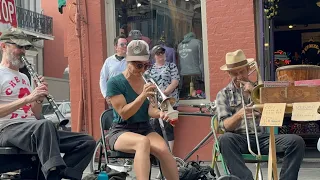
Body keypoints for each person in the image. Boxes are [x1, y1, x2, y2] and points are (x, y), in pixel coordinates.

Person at [0, 29, 96, 180]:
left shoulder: (24, 77)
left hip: (33, 130)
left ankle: (58, 175)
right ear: (3, 46)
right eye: (19, 46)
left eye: (25, 48)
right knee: (45, 125)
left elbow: (36, 114)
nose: (23, 51)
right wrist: (28, 98)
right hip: (8, 130)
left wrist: (38, 99)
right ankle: (53, 174)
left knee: (86, 141)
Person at [216, 49, 305, 180]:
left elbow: (277, 113)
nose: (239, 77)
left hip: (264, 138)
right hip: (240, 139)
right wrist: (239, 115)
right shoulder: (223, 94)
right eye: (234, 74)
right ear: (229, 73)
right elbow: (224, 126)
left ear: (248, 69)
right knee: (224, 139)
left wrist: (255, 93)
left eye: (242, 72)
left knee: (297, 142)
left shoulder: (261, 89)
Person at [106, 40, 179, 180]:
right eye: (139, 65)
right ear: (128, 61)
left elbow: (151, 110)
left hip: (144, 127)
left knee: (165, 150)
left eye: (146, 65)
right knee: (142, 142)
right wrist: (142, 95)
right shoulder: (114, 83)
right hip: (121, 129)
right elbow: (124, 113)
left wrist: (161, 114)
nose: (142, 70)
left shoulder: (147, 81)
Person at [147, 45, 180, 152]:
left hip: (168, 101)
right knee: (155, 128)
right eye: (158, 54)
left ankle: (169, 154)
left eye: (162, 53)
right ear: (154, 56)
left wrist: (164, 93)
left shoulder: (171, 66)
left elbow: (175, 82)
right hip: (155, 103)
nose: (161, 55)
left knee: (168, 128)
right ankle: (159, 154)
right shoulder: (150, 69)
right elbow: (147, 83)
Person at [99, 35, 128, 105]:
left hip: (128, 95)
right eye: (122, 44)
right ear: (116, 47)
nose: (125, 46)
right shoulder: (109, 61)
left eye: (126, 44)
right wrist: (106, 95)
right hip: (114, 95)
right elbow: (102, 78)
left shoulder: (130, 61)